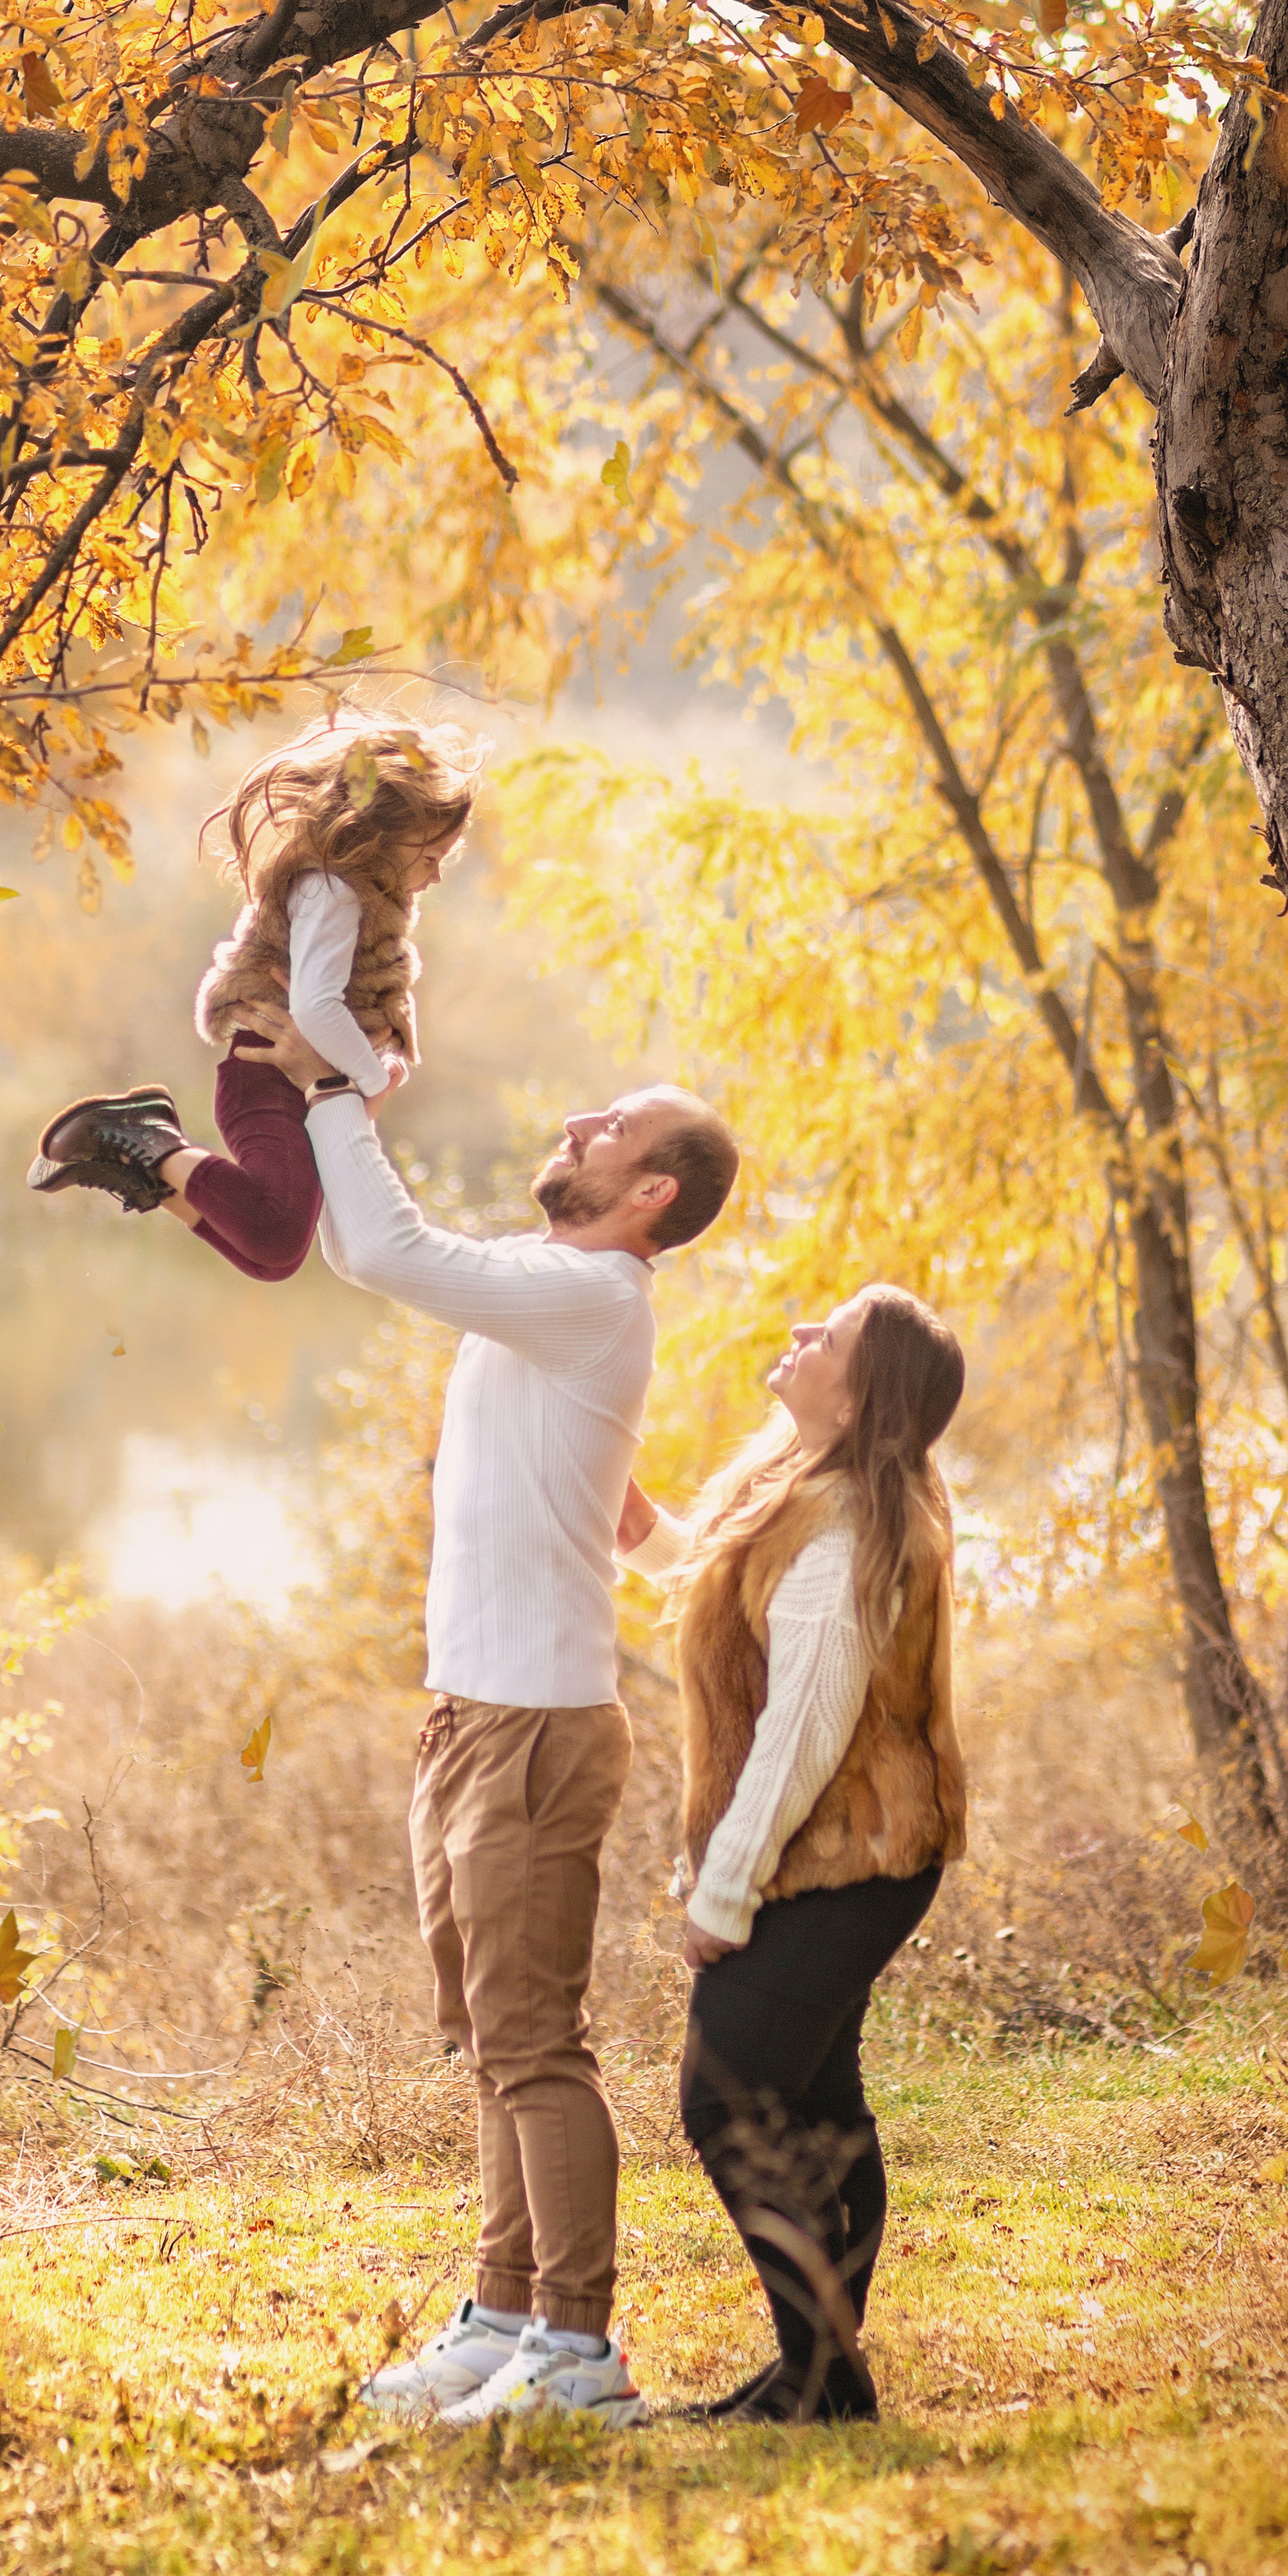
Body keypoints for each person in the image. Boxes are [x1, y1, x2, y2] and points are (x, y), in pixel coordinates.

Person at [235, 995, 739, 2426]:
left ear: (651, 1195)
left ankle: (577, 2355)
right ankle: (506, 2314)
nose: (577, 1121)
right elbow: (358, 1245)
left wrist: (336, 1087)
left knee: (534, 2046)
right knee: (488, 2041)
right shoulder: (546, 1287)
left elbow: (392, 1249)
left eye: (614, 1127)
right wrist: (332, 1111)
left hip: (531, 1728)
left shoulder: (590, 1293)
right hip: (466, 1718)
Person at [619, 1285, 966, 2426]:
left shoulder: (858, 1520)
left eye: (830, 1338)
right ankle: (817, 2376)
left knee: (727, 2100)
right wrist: (639, 1525)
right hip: (843, 1845)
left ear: (862, 1390)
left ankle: (823, 2378)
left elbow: (807, 1725)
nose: (800, 1338)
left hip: (850, 1849)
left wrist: (725, 1888)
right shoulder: (804, 1490)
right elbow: (725, 1597)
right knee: (814, 2101)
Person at [26, 715, 480, 1272]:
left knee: (273, 1260)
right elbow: (314, 1005)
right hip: (267, 1076)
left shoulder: (360, 895)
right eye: (431, 858)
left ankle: (147, 1168)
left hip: (296, 1083)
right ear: (383, 836)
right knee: (272, 1233)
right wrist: (369, 1081)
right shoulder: (334, 889)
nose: (435, 878)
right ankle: (145, 1137)